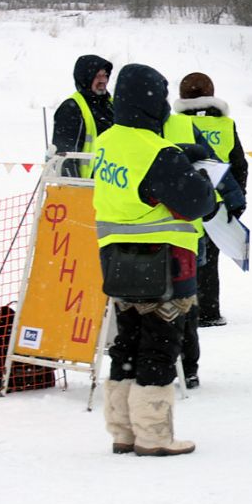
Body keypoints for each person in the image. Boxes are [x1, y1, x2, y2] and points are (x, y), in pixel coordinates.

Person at [94, 63, 217, 457]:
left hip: (115, 258)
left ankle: (123, 431)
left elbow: (138, 178)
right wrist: (191, 169)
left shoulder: (107, 140)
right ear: (151, 102)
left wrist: (176, 157)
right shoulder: (156, 152)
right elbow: (200, 203)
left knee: (126, 342)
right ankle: (154, 434)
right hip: (162, 261)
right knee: (160, 344)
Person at [163, 72, 248, 387]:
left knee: (186, 261)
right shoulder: (226, 125)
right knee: (211, 257)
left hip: (183, 201)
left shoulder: (174, 124)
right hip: (217, 198)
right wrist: (239, 195)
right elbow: (239, 163)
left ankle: (191, 308)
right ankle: (210, 308)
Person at [52, 54, 114, 177]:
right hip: (85, 185)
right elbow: (65, 157)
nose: (103, 80)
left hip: (111, 183)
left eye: (105, 75)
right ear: (86, 78)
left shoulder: (111, 105)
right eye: (98, 76)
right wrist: (74, 187)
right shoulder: (72, 108)